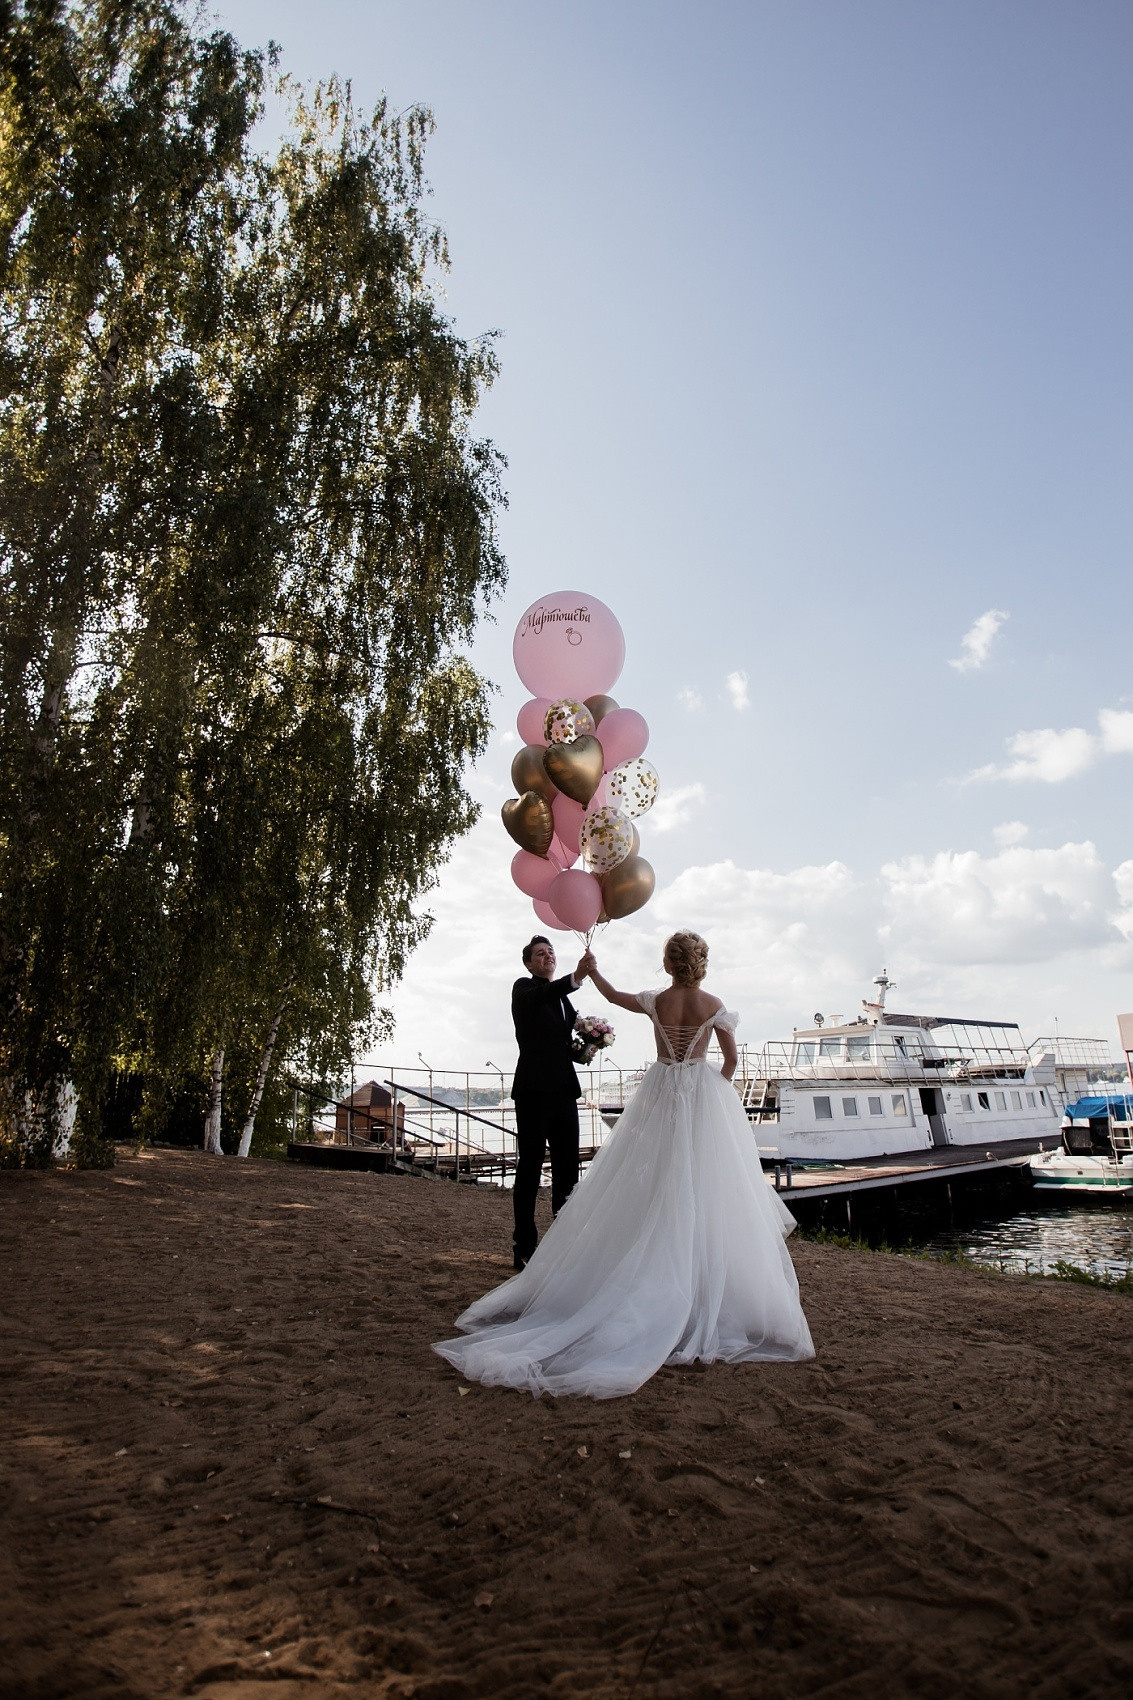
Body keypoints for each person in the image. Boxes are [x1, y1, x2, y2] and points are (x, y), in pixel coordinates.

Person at [434, 930, 814, 1399]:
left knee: (650, 1179)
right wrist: (710, 1090)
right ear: (700, 963)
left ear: (668, 963)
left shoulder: (655, 1000)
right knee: (706, 1183)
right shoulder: (714, 1004)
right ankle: (695, 1278)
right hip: (698, 1095)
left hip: (659, 1090)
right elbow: (731, 1061)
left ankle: (629, 1264)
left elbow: (612, 995)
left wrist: (592, 972)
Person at [507, 935, 594, 1272]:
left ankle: (563, 1246)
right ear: (529, 963)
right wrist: (576, 977)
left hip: (563, 1091)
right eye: (540, 954)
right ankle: (524, 1247)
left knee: (567, 1168)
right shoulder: (525, 989)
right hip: (532, 1090)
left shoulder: (563, 1002)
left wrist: (586, 1048)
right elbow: (548, 992)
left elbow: (563, 1043)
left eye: (551, 952)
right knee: (529, 1167)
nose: (547, 956)